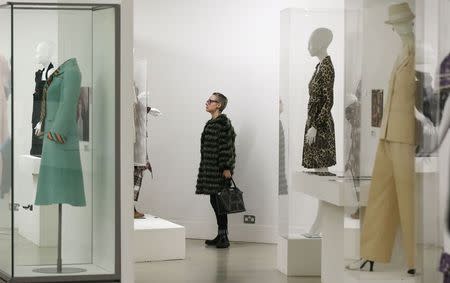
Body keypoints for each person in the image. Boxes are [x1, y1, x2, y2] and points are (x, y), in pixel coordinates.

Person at [196, 92, 236, 249]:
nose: (207, 103)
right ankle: (220, 235)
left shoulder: (223, 123)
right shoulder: (210, 123)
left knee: (220, 203)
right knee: (215, 202)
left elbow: (228, 147)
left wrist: (226, 167)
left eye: (210, 101)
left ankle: (224, 237)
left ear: (218, 105)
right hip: (210, 170)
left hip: (220, 170)